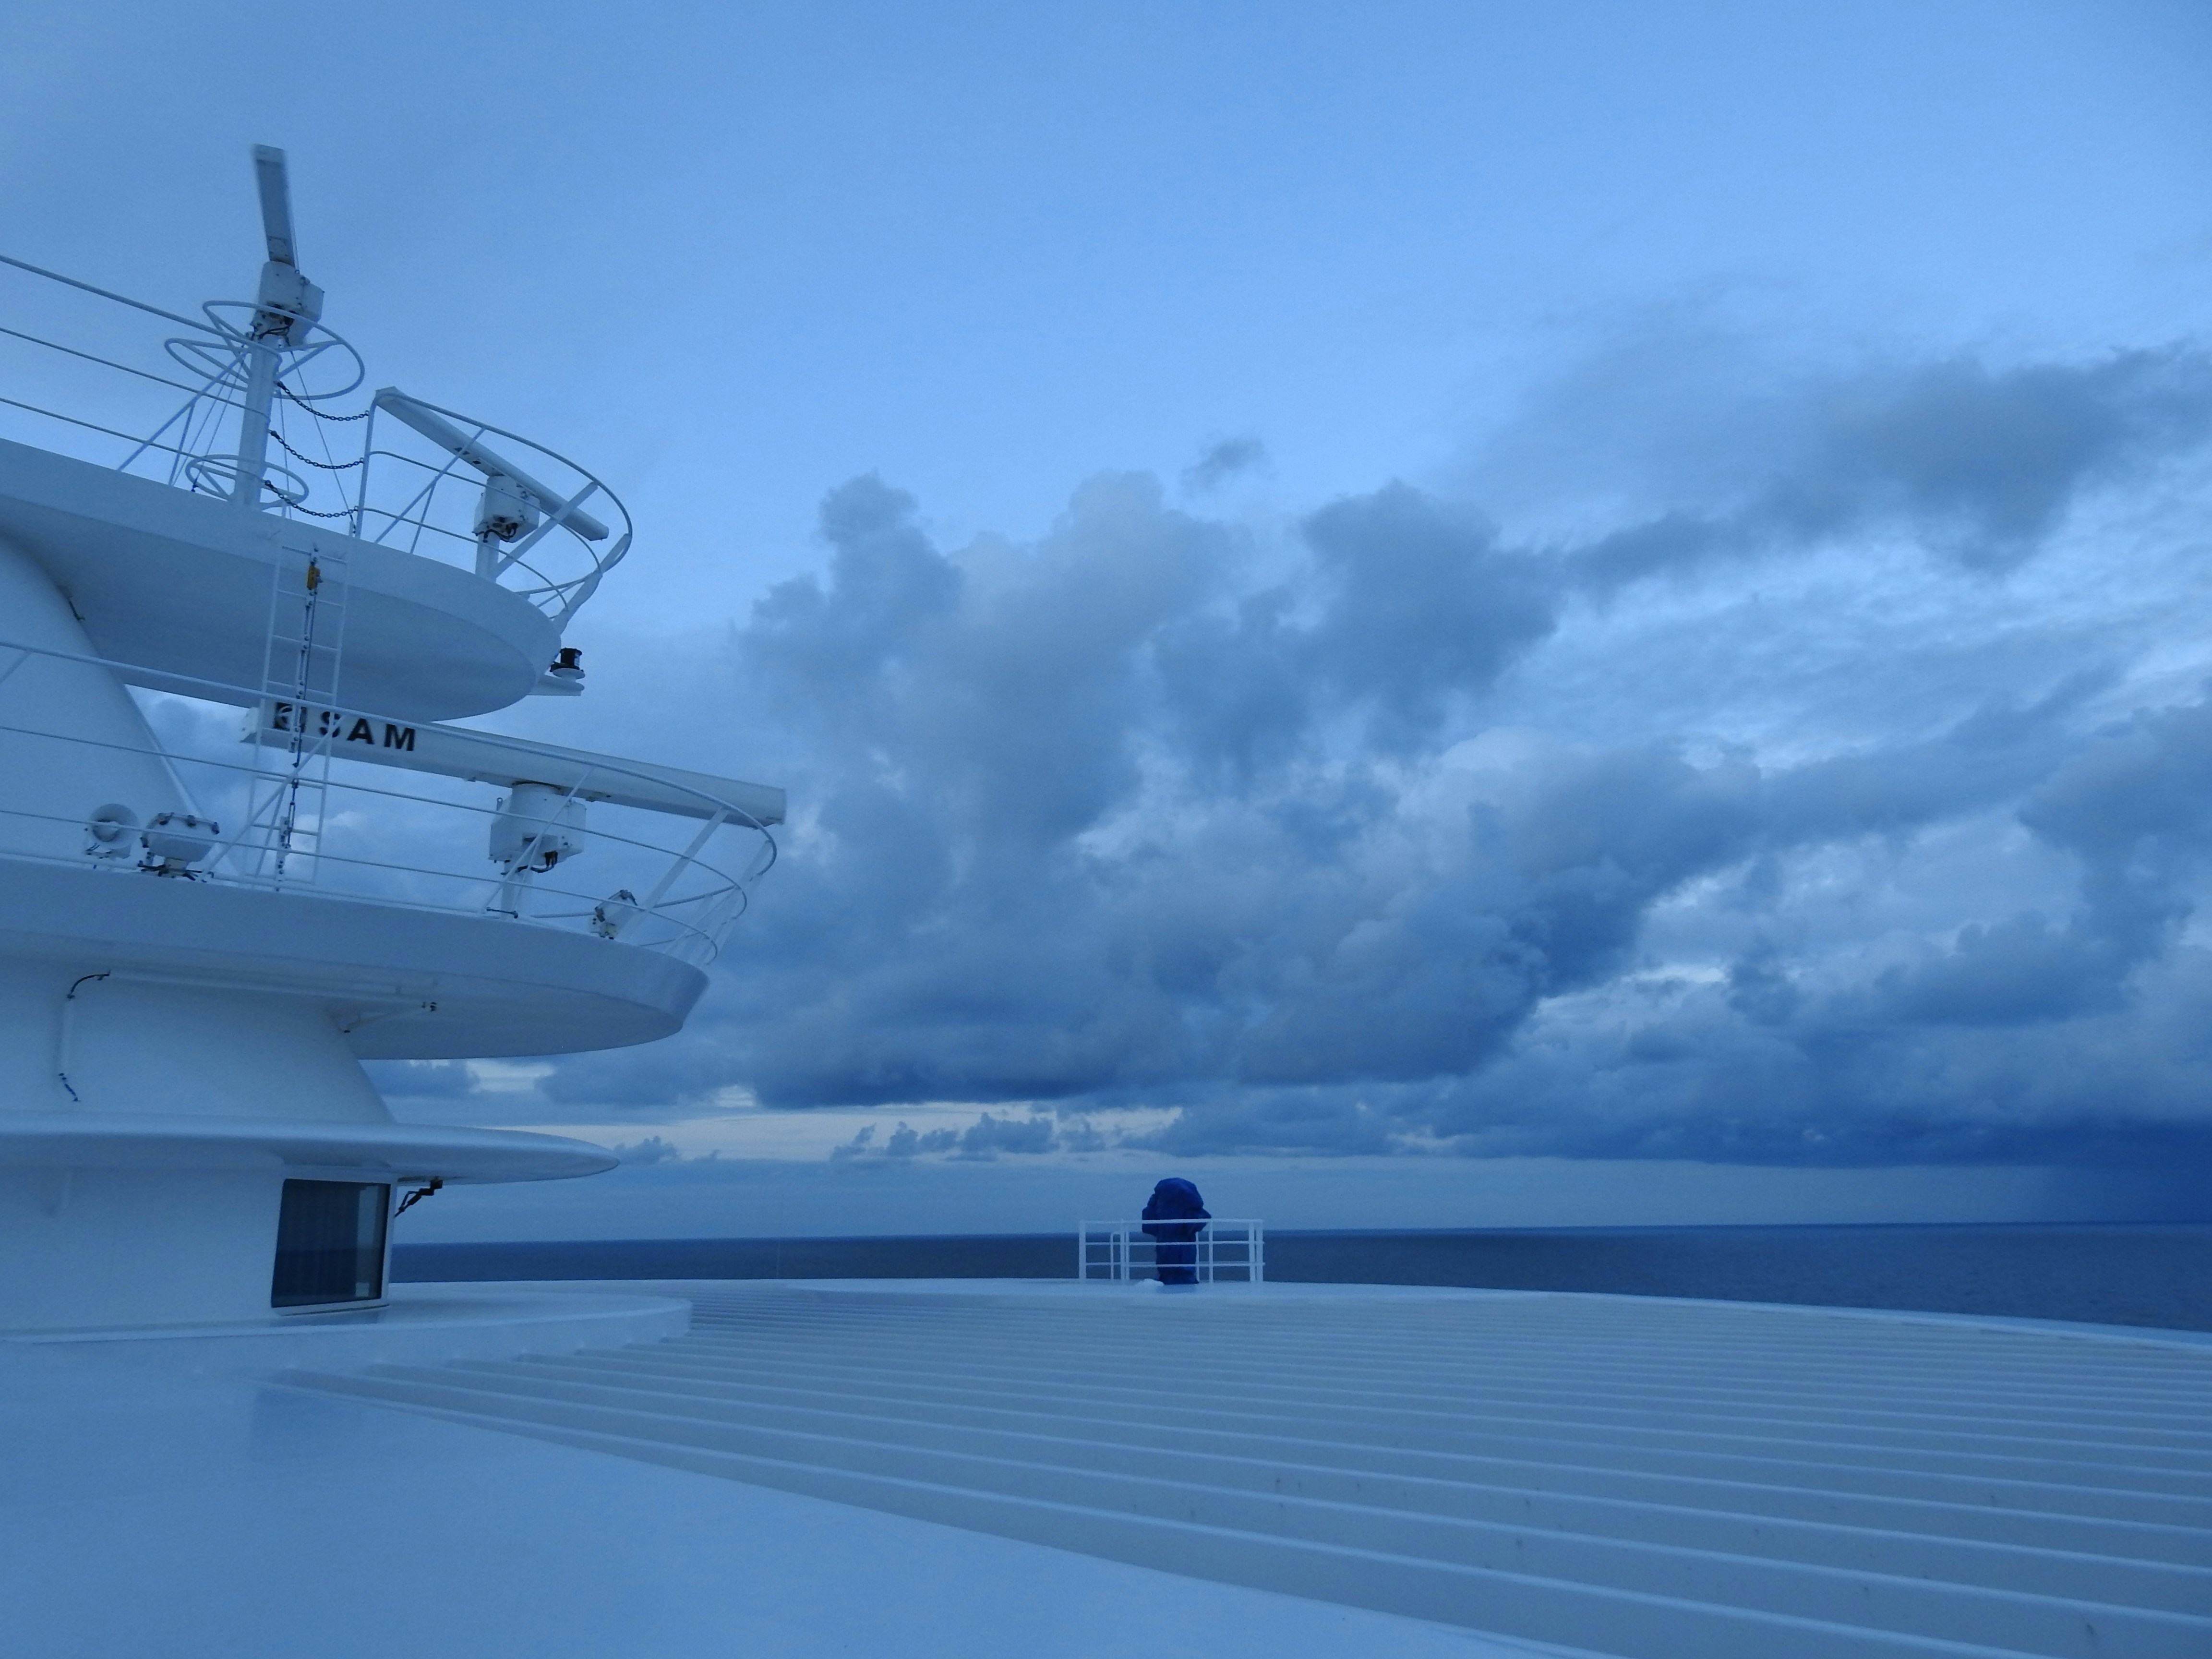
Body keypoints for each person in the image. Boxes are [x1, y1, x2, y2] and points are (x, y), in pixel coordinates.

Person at [1141, 1178, 1210, 1286]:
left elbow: (1149, 1223)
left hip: (1171, 1243)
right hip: (1175, 1243)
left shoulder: (1161, 1204)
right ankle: (1179, 1277)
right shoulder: (1190, 1205)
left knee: (1173, 1258)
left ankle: (1176, 1277)